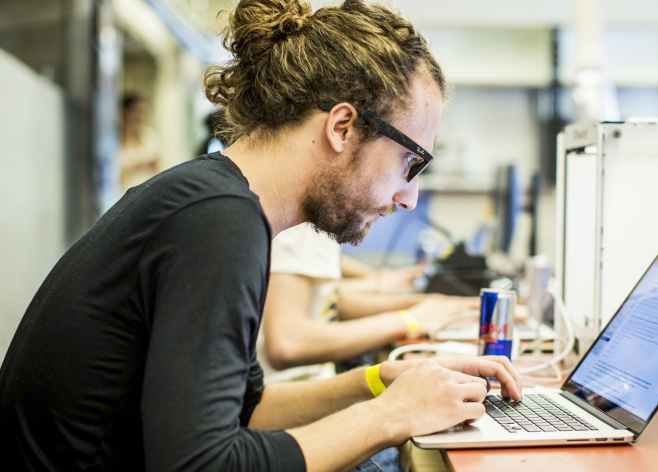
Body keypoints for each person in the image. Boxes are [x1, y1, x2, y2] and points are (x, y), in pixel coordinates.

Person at [0, 1, 522, 471]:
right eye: (410, 163)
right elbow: (200, 464)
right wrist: (389, 417)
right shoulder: (218, 222)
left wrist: (383, 381)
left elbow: (249, 411)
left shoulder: (215, 201)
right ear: (342, 127)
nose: (409, 197)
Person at [259, 222, 479, 383]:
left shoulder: (312, 226)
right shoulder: (302, 229)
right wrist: (408, 320)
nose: (406, 199)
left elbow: (334, 302)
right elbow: (288, 344)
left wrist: (431, 304)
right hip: (286, 401)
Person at [118, 93, 162, 191]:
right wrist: (136, 166)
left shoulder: (150, 136)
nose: (138, 117)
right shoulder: (115, 142)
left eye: (141, 112)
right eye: (134, 112)